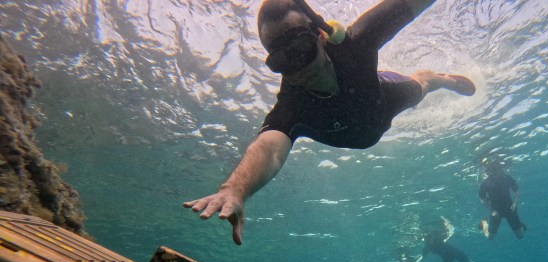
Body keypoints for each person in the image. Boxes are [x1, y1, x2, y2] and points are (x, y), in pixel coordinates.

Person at [184, 0, 476, 245]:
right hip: (360, 129)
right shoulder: (292, 102)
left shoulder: (356, 44)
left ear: (320, 36)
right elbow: (269, 148)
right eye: (283, 62)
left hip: (382, 102)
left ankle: (438, 78)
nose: (298, 70)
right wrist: (235, 189)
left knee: (419, 89)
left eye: (300, 50)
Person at [417, 218, 496, 262]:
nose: (424, 240)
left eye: (426, 237)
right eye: (424, 238)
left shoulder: (436, 239)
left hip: (453, 252)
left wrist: (444, 223)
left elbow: (438, 233)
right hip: (447, 256)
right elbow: (423, 257)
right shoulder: (427, 247)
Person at [478, 160, 527, 239]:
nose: (495, 174)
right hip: (496, 211)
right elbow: (482, 198)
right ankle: (484, 223)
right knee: (490, 237)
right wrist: (492, 210)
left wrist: (515, 203)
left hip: (510, 209)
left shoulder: (507, 178)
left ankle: (519, 225)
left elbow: (517, 191)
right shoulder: (485, 183)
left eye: (497, 171)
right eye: (492, 172)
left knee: (520, 236)